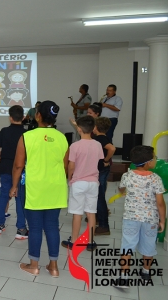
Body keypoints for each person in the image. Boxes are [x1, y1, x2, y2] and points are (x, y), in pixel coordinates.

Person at [10, 101, 69, 277]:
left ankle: (34, 265)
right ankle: (54, 266)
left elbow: (18, 165)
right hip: (56, 186)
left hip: (35, 186)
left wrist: (14, 186)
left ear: (38, 115)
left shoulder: (27, 136)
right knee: (52, 226)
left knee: (35, 227)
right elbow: (65, 166)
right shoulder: (62, 137)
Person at [114, 145, 166, 288]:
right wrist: (162, 220)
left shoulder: (127, 175)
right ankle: (145, 272)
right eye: (154, 157)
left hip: (131, 218)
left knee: (127, 246)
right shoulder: (156, 179)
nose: (156, 159)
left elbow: (121, 188)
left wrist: (124, 189)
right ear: (148, 162)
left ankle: (124, 277)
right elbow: (160, 203)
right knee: (149, 246)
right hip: (150, 220)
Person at [61, 116, 104, 251]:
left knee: (77, 213)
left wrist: (69, 178)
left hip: (79, 182)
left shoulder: (75, 146)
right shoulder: (97, 144)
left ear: (79, 129)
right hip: (93, 182)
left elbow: (71, 165)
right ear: (94, 129)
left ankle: (74, 241)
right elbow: (99, 161)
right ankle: (90, 242)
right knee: (91, 213)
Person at [0, 105, 28, 239]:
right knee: (20, 197)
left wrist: (3, 158)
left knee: (3, 195)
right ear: (23, 118)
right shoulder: (26, 133)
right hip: (21, 169)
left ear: (10, 117)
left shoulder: (4, 131)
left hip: (6, 167)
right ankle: (21, 229)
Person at [93, 117, 116, 236]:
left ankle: (103, 225)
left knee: (99, 197)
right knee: (99, 195)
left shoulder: (100, 139)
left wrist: (106, 160)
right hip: (103, 169)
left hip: (101, 170)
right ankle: (97, 218)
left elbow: (112, 148)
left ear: (96, 127)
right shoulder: (103, 137)